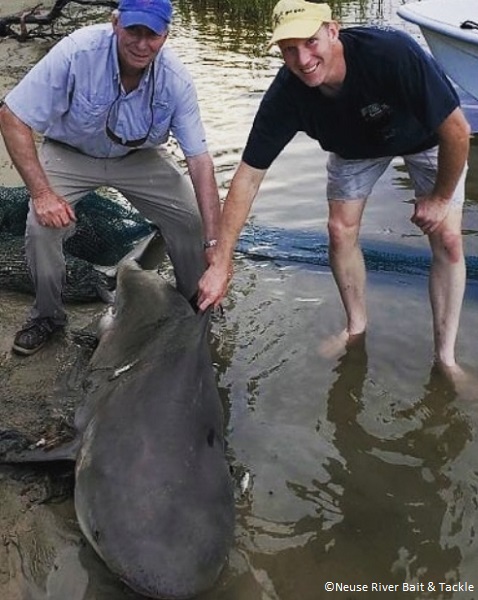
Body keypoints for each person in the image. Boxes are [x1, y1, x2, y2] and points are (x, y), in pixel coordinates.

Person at [197, 0, 471, 371]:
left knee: (450, 240)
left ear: (332, 30)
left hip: (425, 137)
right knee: (339, 231)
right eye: (289, 49)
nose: (303, 59)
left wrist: (439, 199)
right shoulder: (286, 95)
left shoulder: (390, 53)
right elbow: (247, 176)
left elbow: (457, 130)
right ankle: (356, 327)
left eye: (310, 42)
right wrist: (222, 262)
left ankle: (445, 358)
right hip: (354, 148)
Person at [0, 0, 221, 356]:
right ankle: (48, 316)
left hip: (140, 159)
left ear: (166, 34)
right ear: (115, 22)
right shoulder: (77, 51)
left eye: (153, 34)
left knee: (191, 218)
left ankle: (197, 298)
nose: (142, 43)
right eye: (134, 30)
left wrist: (215, 244)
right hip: (70, 152)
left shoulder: (176, 78)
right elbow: (12, 117)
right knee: (40, 227)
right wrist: (42, 194)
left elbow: (200, 162)